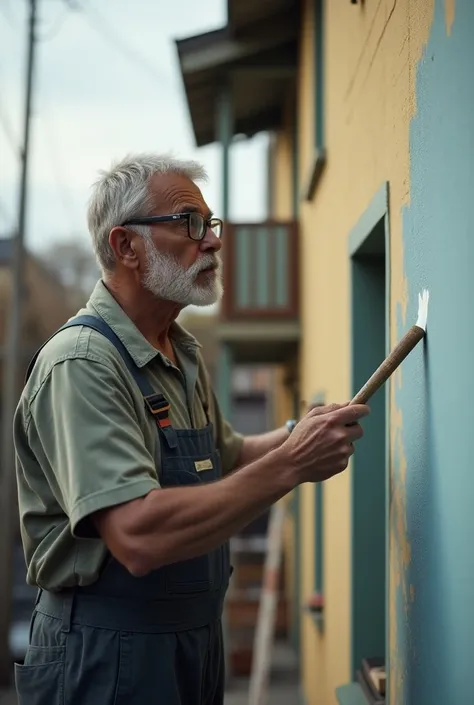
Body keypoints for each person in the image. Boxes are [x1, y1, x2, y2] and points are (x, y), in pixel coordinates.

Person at [13, 153, 369, 705]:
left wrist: (303, 431)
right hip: (108, 655)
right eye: (189, 224)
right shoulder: (82, 365)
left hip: (193, 642)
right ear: (125, 246)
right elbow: (137, 534)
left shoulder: (180, 350)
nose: (213, 242)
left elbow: (227, 457)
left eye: (212, 224)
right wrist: (293, 463)